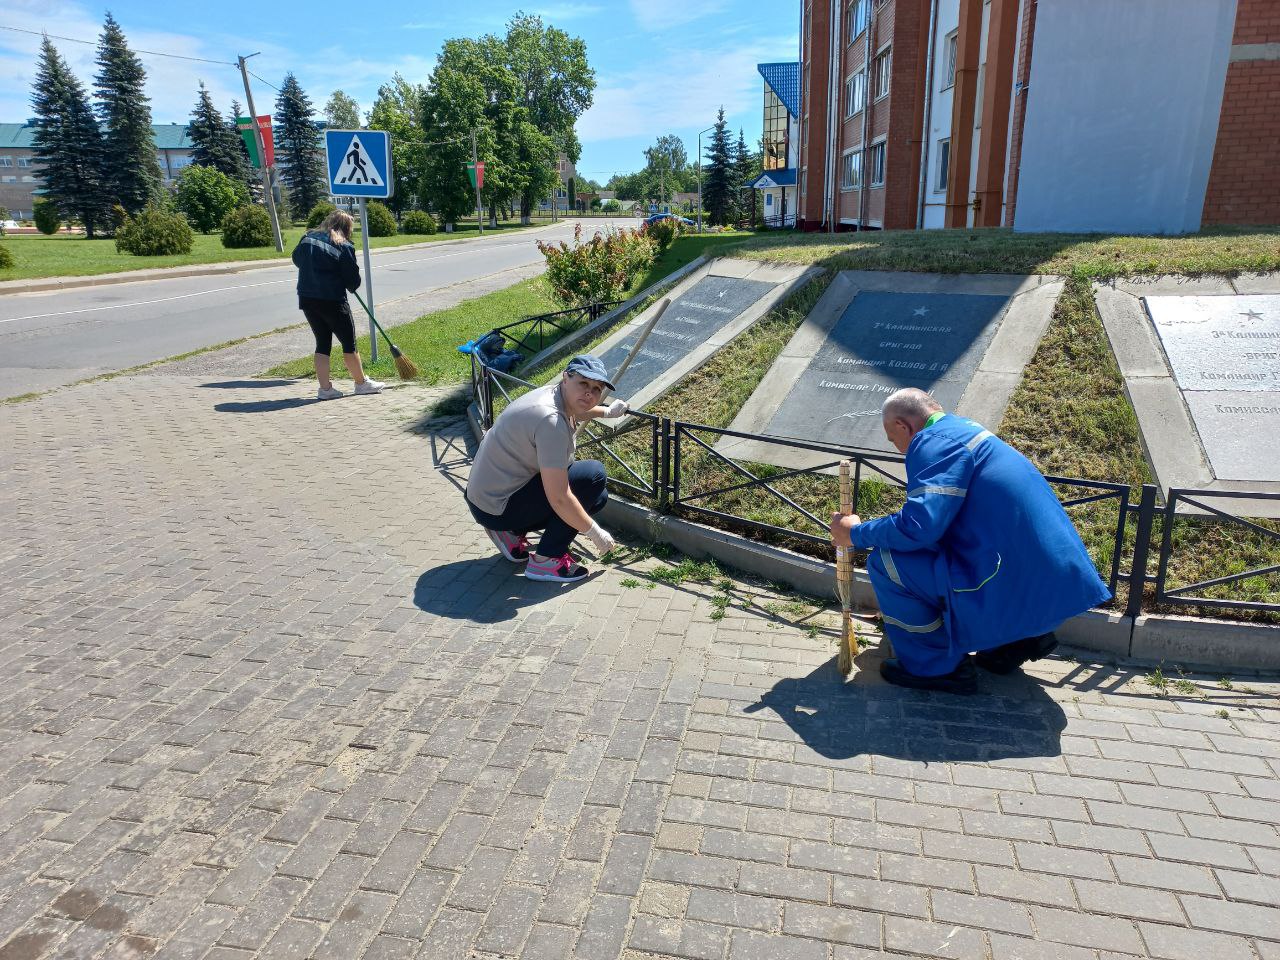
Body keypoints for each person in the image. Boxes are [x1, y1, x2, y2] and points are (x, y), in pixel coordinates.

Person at [830, 388, 1111, 694]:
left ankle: (937, 669)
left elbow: (919, 527)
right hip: (1046, 582)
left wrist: (855, 533)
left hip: (1011, 578)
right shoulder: (964, 431)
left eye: (893, 439)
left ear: (903, 426)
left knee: (886, 563)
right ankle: (1017, 640)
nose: (899, 449)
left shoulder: (931, 441)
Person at [466, 355, 630, 582]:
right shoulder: (550, 421)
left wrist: (606, 412)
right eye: (583, 383)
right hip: (497, 507)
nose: (590, 393)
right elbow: (559, 497)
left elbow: (577, 410)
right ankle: (546, 561)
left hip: (485, 500)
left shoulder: (551, 395)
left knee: (597, 496)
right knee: (593, 476)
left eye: (596, 388)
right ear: (566, 378)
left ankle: (509, 533)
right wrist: (594, 532)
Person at [292, 210, 384, 401]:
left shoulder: (307, 238)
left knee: (322, 343)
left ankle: (325, 390)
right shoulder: (343, 246)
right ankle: (361, 384)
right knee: (349, 344)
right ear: (346, 228)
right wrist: (347, 282)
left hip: (308, 299)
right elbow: (353, 281)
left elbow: (297, 260)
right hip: (333, 300)